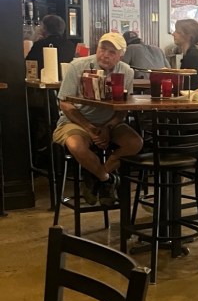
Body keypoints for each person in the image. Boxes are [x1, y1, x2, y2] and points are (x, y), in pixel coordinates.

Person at [53, 33, 143, 206]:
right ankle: (106, 179)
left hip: (109, 122)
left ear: (121, 55)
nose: (105, 55)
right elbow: (64, 103)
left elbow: (124, 107)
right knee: (76, 145)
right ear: (97, 48)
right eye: (103, 49)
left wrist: (108, 127)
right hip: (76, 121)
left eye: (112, 52)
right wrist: (90, 129)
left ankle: (95, 176)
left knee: (135, 143)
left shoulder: (126, 71)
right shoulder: (77, 66)